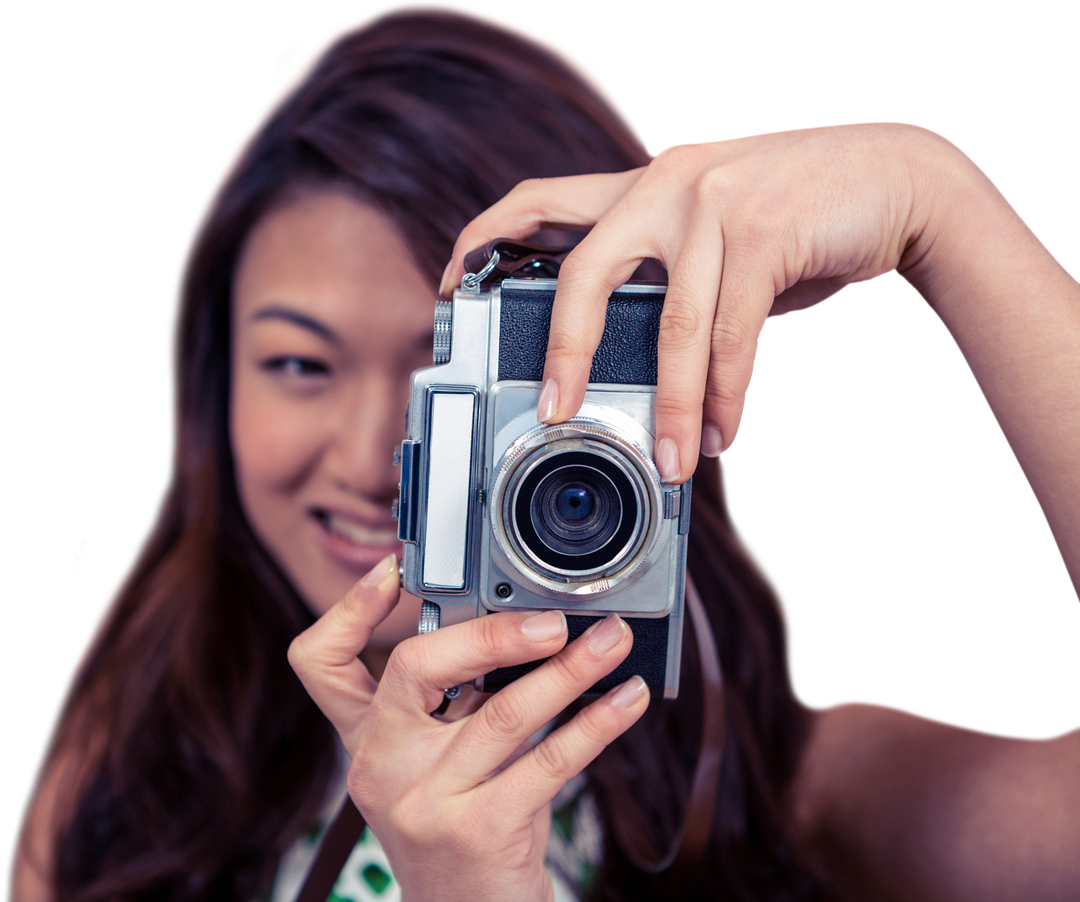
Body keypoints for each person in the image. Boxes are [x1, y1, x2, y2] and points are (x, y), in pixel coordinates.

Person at [9, 3, 1078, 902]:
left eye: (462, 373)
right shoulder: (140, 743)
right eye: (300, 363)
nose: (385, 452)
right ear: (210, 385)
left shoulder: (781, 781)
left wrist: (940, 208)